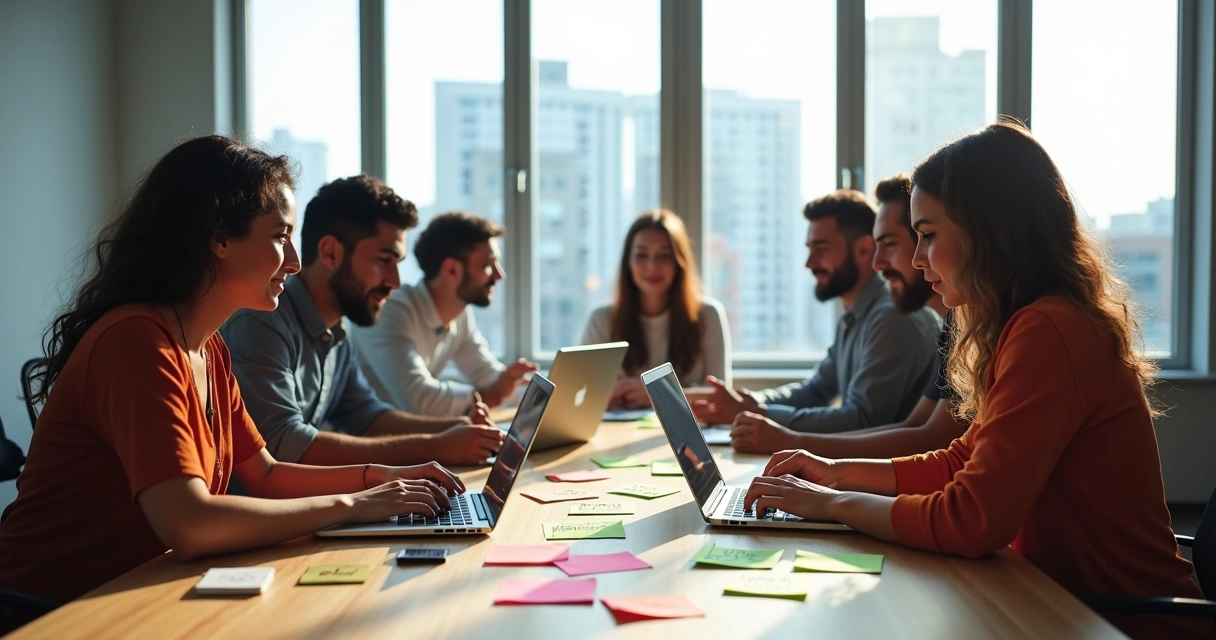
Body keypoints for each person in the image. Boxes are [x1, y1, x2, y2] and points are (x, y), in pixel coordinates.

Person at [742, 121, 1210, 639]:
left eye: (928, 235)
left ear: (989, 231)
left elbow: (972, 520)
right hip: (1063, 606)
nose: (918, 259)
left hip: (1123, 624)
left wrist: (831, 505)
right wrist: (834, 472)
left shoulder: (1049, 330)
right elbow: (960, 461)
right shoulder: (1030, 323)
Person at [0, 137, 463, 633]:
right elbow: (191, 524)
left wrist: (382, 480)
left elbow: (266, 474)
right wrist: (353, 505)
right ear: (219, 238)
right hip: (51, 613)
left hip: (140, 591)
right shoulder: (135, 341)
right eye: (279, 236)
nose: (294, 261)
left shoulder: (209, 348)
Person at [221, 177, 504, 468]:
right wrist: (435, 446)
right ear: (331, 252)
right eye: (384, 260)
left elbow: (367, 415)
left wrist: (453, 428)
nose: (394, 282)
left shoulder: (336, 330)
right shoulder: (261, 322)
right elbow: (283, 443)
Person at [730, 175, 968, 456]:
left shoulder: (896, 318)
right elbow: (915, 427)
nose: (878, 263)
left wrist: (790, 441)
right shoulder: (950, 326)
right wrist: (755, 409)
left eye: (926, 237)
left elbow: (919, 437)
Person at [692, 190, 939, 433]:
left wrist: (758, 414)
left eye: (821, 250)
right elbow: (817, 390)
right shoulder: (855, 315)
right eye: (809, 249)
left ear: (864, 250)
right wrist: (748, 404)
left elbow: (863, 419)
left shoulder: (892, 317)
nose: (809, 263)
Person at [350, 211, 538, 416]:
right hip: (363, 441)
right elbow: (420, 401)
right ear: (451, 270)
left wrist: (538, 396)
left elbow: (486, 374)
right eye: (487, 265)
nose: (499, 275)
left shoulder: (460, 314)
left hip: (409, 437)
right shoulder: (390, 309)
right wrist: (492, 394)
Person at [581, 208, 731, 409]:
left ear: (680, 262)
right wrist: (607, 396)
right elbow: (580, 395)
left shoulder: (707, 315)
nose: (652, 266)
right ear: (628, 263)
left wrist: (656, 394)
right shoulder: (602, 319)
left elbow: (719, 398)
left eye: (664, 256)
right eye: (641, 255)